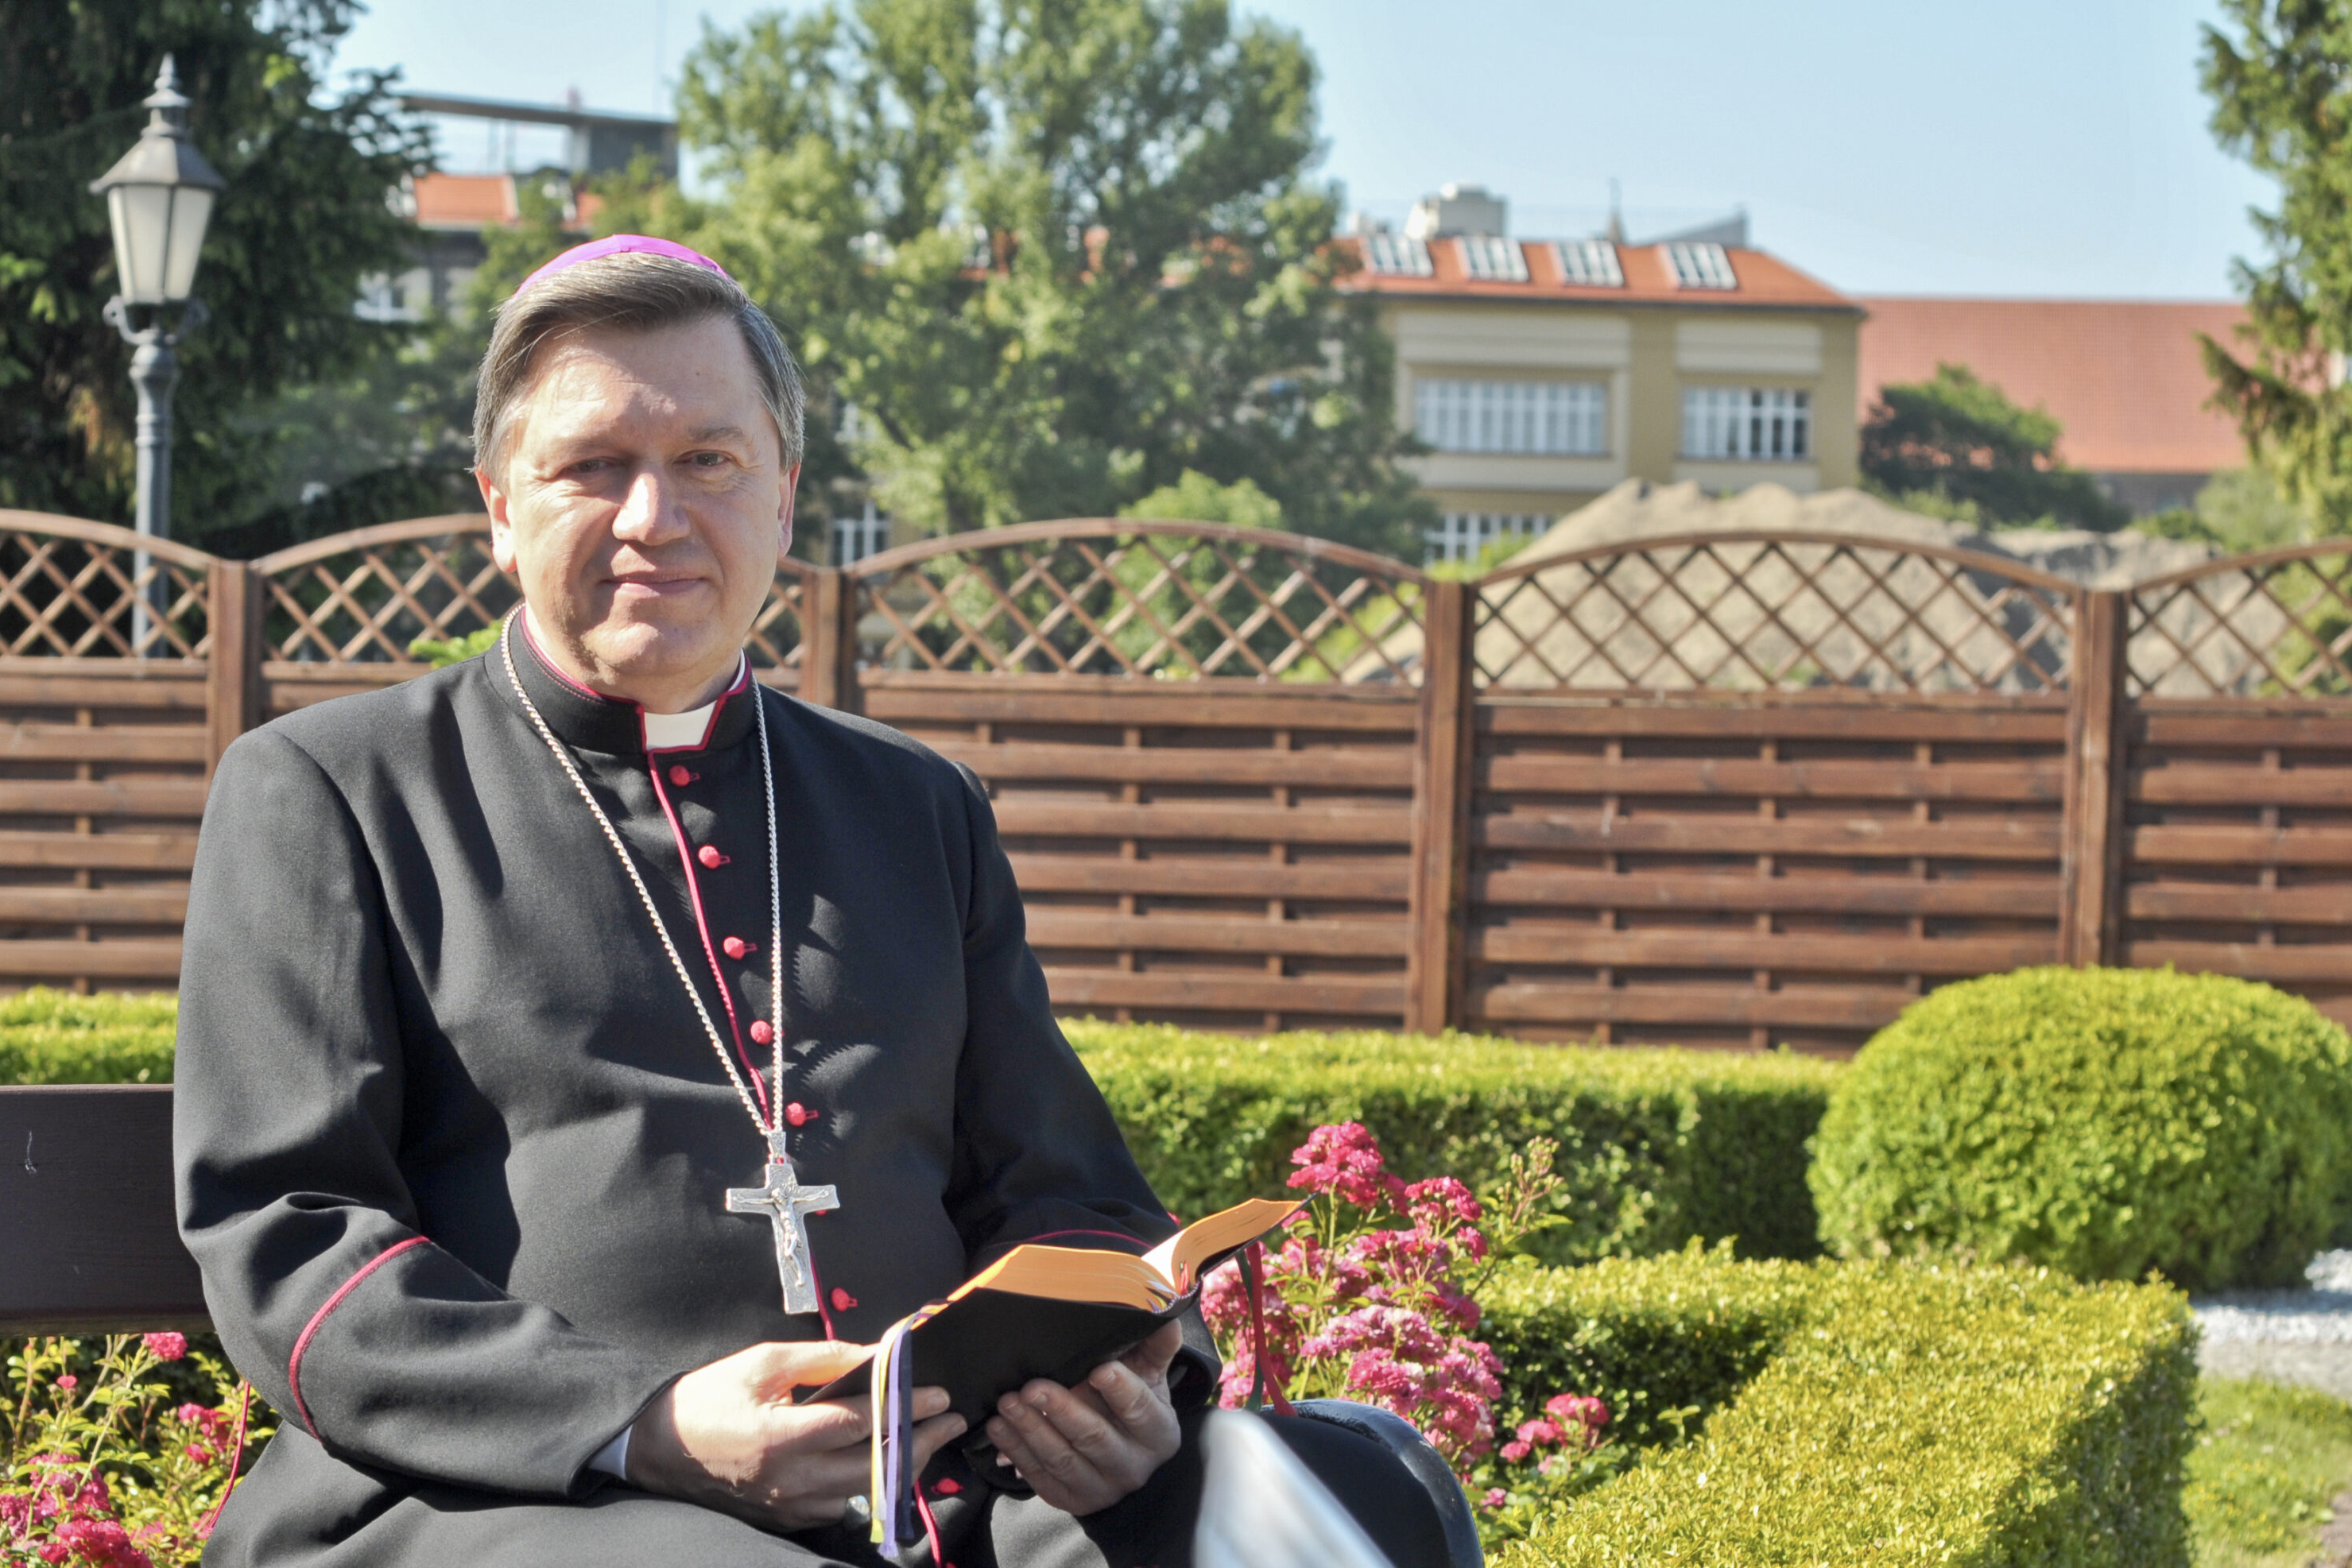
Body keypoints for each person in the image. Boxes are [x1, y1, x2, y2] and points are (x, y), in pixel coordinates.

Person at [173, 235, 1438, 1567]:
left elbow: (1062, 1186)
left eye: (709, 460)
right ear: (500, 507)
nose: (654, 516)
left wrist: (1124, 1383)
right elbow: (288, 1233)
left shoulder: (917, 806)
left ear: (782, 501)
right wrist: (646, 1422)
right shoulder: (332, 789)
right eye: (593, 465)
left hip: (940, 1492)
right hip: (504, 1496)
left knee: (1346, 1503)